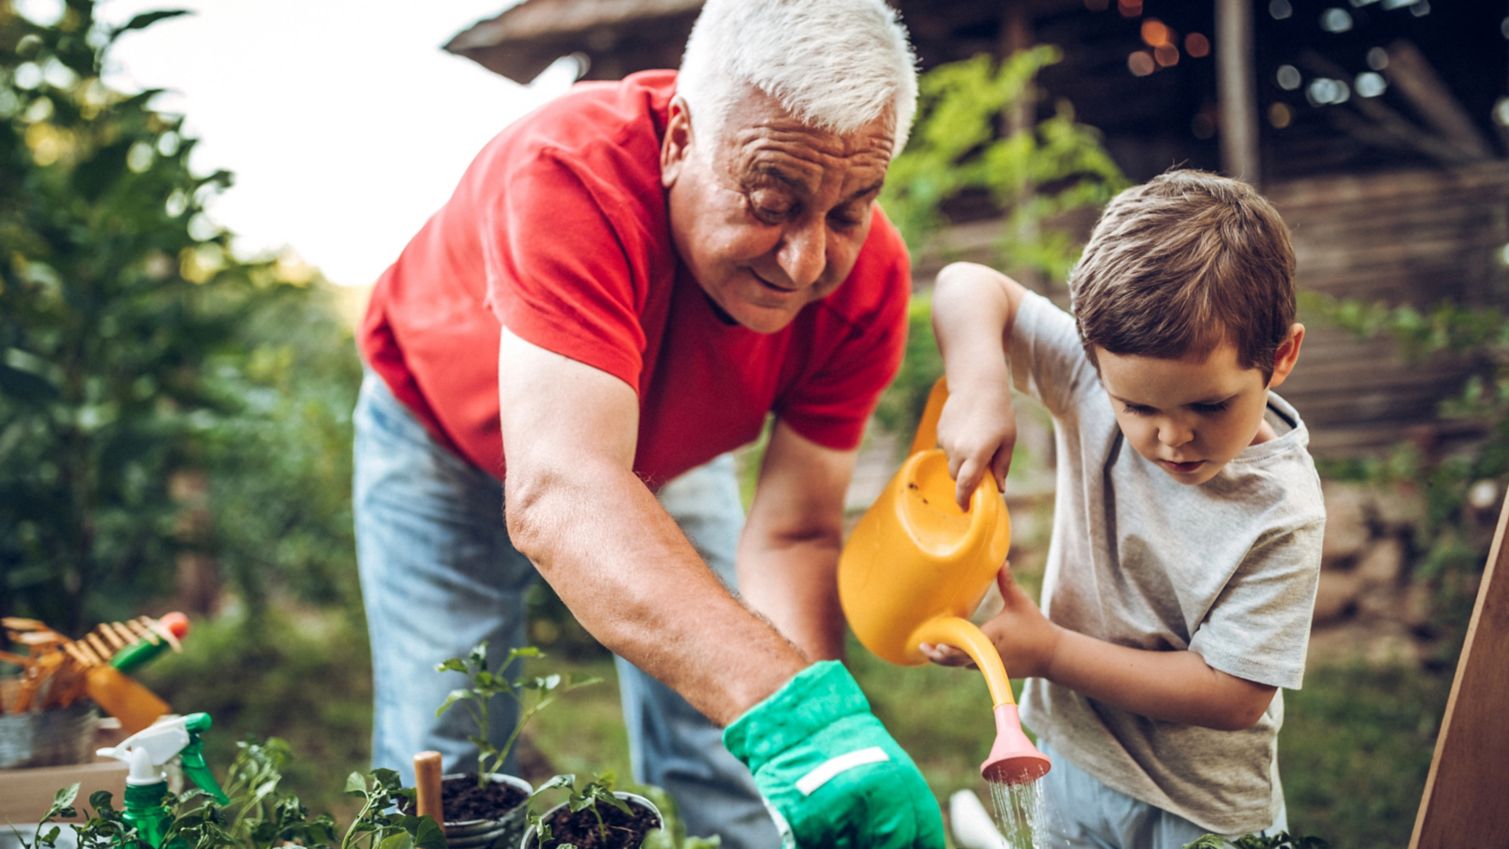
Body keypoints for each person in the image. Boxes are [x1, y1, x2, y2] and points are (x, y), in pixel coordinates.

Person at [352, 1, 943, 846]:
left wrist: (825, 737)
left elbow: (794, 531)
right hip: (438, 438)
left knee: (733, 746)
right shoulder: (570, 174)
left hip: (656, 453)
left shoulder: (867, 283)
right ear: (678, 141)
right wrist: (792, 711)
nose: (806, 261)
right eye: (772, 201)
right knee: (446, 761)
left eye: (847, 212)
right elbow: (562, 490)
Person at [924, 170, 1325, 846]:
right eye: (1136, 407)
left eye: (1208, 404)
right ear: (1092, 358)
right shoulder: (1087, 375)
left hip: (1199, 810)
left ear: (1279, 355)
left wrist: (1050, 651)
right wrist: (978, 382)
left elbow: (1231, 695)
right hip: (1070, 761)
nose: (1171, 436)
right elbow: (964, 283)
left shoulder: (1281, 510)